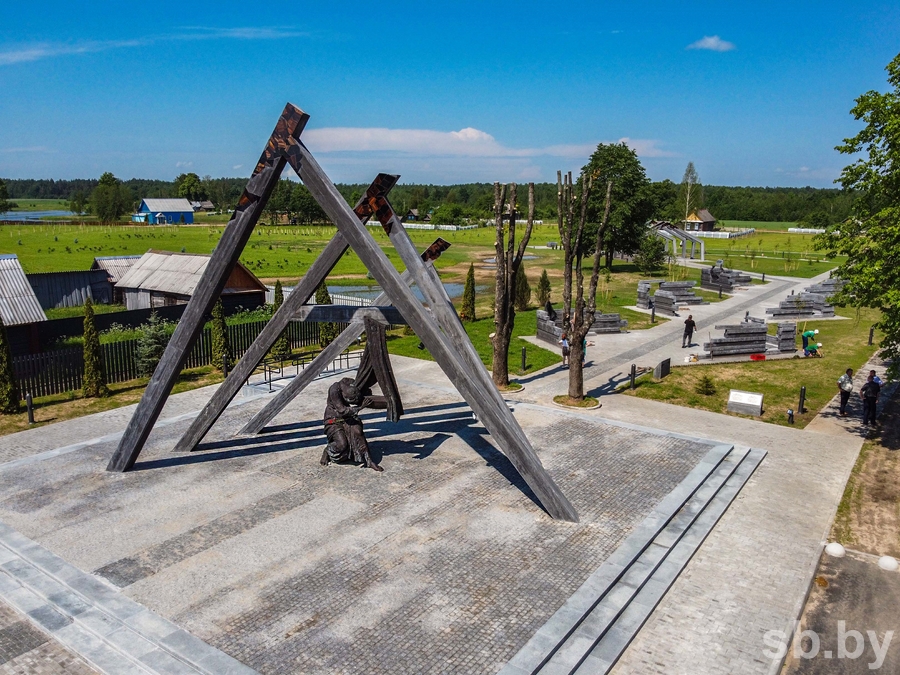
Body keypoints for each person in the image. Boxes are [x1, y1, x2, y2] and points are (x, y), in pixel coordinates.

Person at [320, 377, 383, 471]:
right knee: (342, 444)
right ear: (344, 395)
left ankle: (369, 461)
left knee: (358, 431)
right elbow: (342, 410)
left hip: (347, 417)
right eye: (351, 401)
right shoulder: (334, 390)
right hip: (333, 420)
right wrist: (360, 407)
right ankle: (328, 451)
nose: (352, 402)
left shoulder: (349, 383)